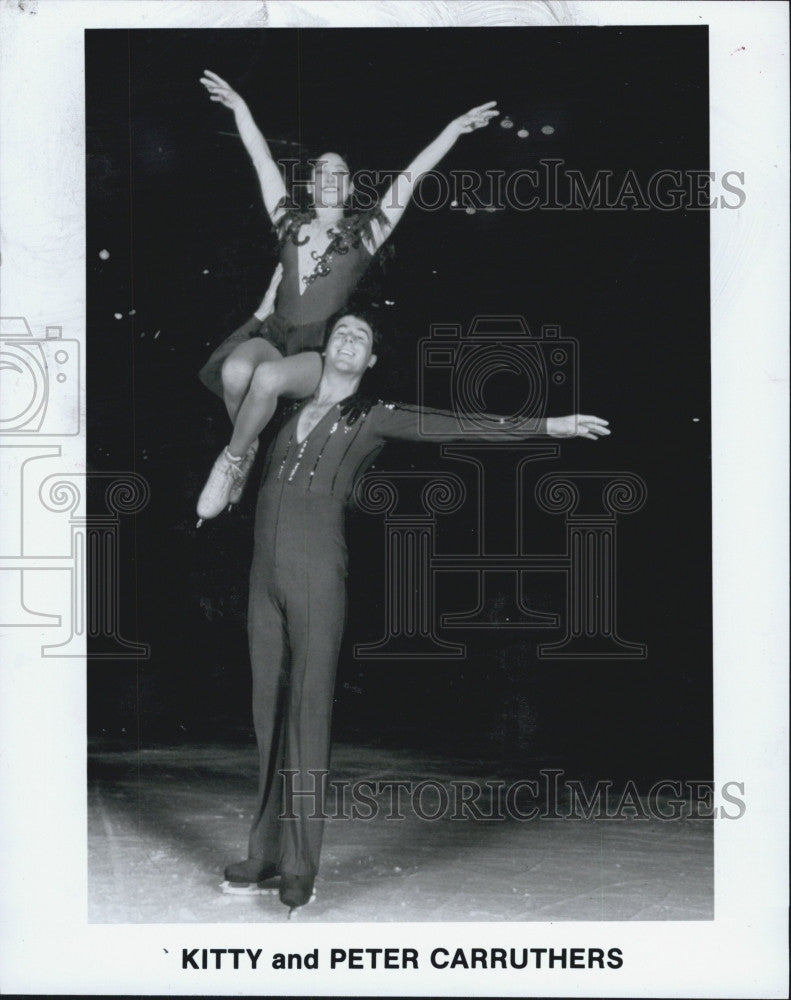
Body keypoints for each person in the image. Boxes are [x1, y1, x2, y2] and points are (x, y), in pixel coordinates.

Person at [221, 310, 610, 914]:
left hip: (317, 574)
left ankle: (300, 865)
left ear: (371, 361)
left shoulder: (373, 417)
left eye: (364, 338)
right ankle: (264, 853)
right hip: (260, 579)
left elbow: (460, 425)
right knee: (267, 715)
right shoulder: (279, 410)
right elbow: (231, 376)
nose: (350, 339)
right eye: (342, 332)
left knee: (307, 715)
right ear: (323, 351)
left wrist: (548, 424)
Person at [195, 69, 501, 523]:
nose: (329, 177)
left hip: (319, 346)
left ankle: (233, 461)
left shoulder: (365, 234)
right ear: (311, 185)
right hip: (277, 333)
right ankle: (249, 439)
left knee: (264, 381)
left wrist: (453, 129)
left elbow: (411, 178)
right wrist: (240, 107)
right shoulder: (289, 222)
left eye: (339, 172)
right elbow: (261, 161)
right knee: (238, 369)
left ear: (351, 187)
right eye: (321, 171)